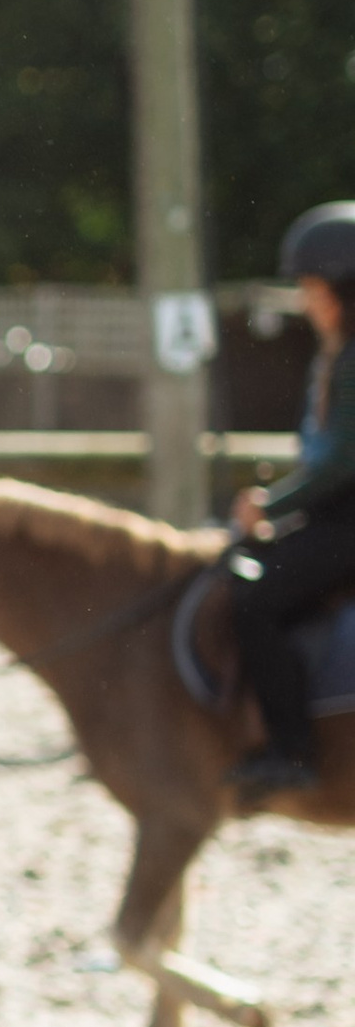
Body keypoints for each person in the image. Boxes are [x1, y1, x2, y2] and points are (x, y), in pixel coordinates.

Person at [226, 199, 355, 797]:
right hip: (335, 513)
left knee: (254, 603)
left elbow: (342, 465)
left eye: (312, 286)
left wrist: (271, 507)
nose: (305, 300)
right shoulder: (335, 357)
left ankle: (293, 751)